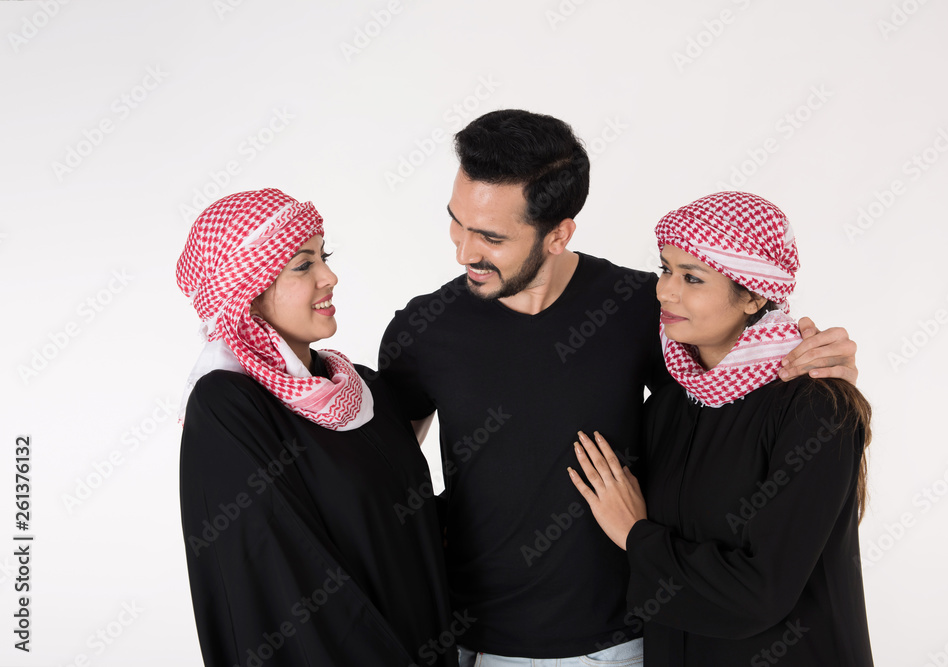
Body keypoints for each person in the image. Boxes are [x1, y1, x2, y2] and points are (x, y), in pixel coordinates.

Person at [377, 110, 860, 666]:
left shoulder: (644, 310)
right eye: (457, 222)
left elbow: (733, 392)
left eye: (491, 236)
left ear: (558, 233)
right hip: (467, 639)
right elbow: (387, 482)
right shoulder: (422, 330)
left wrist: (820, 366)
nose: (464, 250)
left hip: (616, 645)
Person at [568, 191, 874, 665]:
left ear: (753, 295)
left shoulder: (815, 406)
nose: (666, 291)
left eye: (693, 277)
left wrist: (635, 534)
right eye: (667, 268)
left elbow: (760, 593)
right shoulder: (670, 404)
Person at [177, 188, 458, 667]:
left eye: (323, 257)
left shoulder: (363, 390)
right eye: (303, 265)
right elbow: (284, 581)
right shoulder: (229, 406)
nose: (330, 276)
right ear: (248, 292)